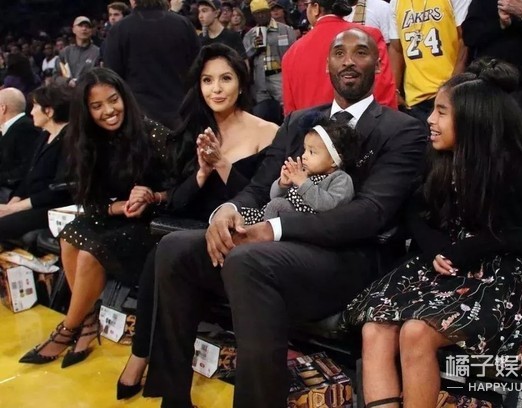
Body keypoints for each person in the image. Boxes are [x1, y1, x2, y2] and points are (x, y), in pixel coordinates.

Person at [143, 28, 426, 408]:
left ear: (378, 64)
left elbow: (370, 214)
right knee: (175, 248)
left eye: (360, 53)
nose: (348, 61)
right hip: (284, 251)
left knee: (247, 259)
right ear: (327, 65)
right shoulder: (297, 122)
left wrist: (273, 228)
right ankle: (174, 399)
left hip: (353, 259)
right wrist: (226, 213)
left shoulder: (403, 129)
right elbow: (259, 188)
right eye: (339, 53)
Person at [342, 59, 522, 408]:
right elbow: (414, 208)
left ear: (472, 120)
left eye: (441, 112)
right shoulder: (440, 159)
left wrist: (482, 245)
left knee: (416, 332)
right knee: (374, 329)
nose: (430, 119)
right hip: (447, 267)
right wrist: (434, 248)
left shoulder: (516, 168)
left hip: (502, 274)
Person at [116, 43, 278, 400]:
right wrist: (203, 172)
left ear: (241, 83)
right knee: (163, 252)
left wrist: (222, 164)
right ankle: (165, 384)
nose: (216, 89)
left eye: (225, 79)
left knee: (164, 254)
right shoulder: (193, 129)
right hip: (190, 235)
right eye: (207, 80)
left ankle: (142, 359)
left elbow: (261, 202)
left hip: (237, 237)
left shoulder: (268, 131)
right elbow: (177, 202)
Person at [18, 67, 170, 368]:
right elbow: (89, 202)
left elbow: (182, 189)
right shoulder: (87, 142)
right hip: (121, 215)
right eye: (97, 106)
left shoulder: (152, 133)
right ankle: (87, 323)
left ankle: (68, 329)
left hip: (154, 221)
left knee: (90, 252)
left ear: (124, 97)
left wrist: (152, 196)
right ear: (86, 111)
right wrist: (119, 207)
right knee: (70, 235)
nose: (109, 111)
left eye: (113, 100)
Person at [281, 0, 396, 115]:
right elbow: (383, 89)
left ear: (316, 8)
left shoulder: (291, 54)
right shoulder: (369, 36)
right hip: (368, 123)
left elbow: (290, 114)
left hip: (311, 125)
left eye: (307, 5)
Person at [104, 0, 199, 130]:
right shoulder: (183, 24)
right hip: (179, 116)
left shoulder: (119, 29)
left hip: (139, 119)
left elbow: (112, 78)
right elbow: (197, 70)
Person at [240, 117, 358, 223]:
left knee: (277, 205)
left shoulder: (341, 179)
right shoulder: (304, 172)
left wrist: (303, 182)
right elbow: (274, 196)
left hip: (307, 223)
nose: (304, 156)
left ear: (334, 160)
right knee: (241, 215)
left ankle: (265, 234)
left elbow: (329, 205)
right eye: (305, 150)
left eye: (312, 152)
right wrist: (283, 185)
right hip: (280, 217)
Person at [0, 84, 71, 241]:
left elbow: (58, 191)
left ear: (49, 111)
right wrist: (12, 203)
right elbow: (28, 175)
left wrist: (14, 208)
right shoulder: (44, 136)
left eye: (35, 106)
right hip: (32, 202)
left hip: (53, 208)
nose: (31, 112)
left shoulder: (69, 141)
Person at [388, 0, 471, 125]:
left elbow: (465, 39)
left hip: (450, 93)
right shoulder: (396, 2)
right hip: (414, 101)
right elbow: (396, 49)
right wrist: (393, 90)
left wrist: (453, 87)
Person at [0, 88, 41, 203]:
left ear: (3, 108)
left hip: (13, 191)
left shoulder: (25, 129)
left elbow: (26, 168)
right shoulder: (11, 128)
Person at [55, 17, 100, 87]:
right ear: (73, 30)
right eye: (80, 26)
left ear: (91, 31)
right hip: (67, 91)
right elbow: (56, 76)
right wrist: (67, 81)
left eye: (87, 26)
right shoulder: (65, 52)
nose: (84, 29)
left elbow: (100, 76)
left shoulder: (98, 52)